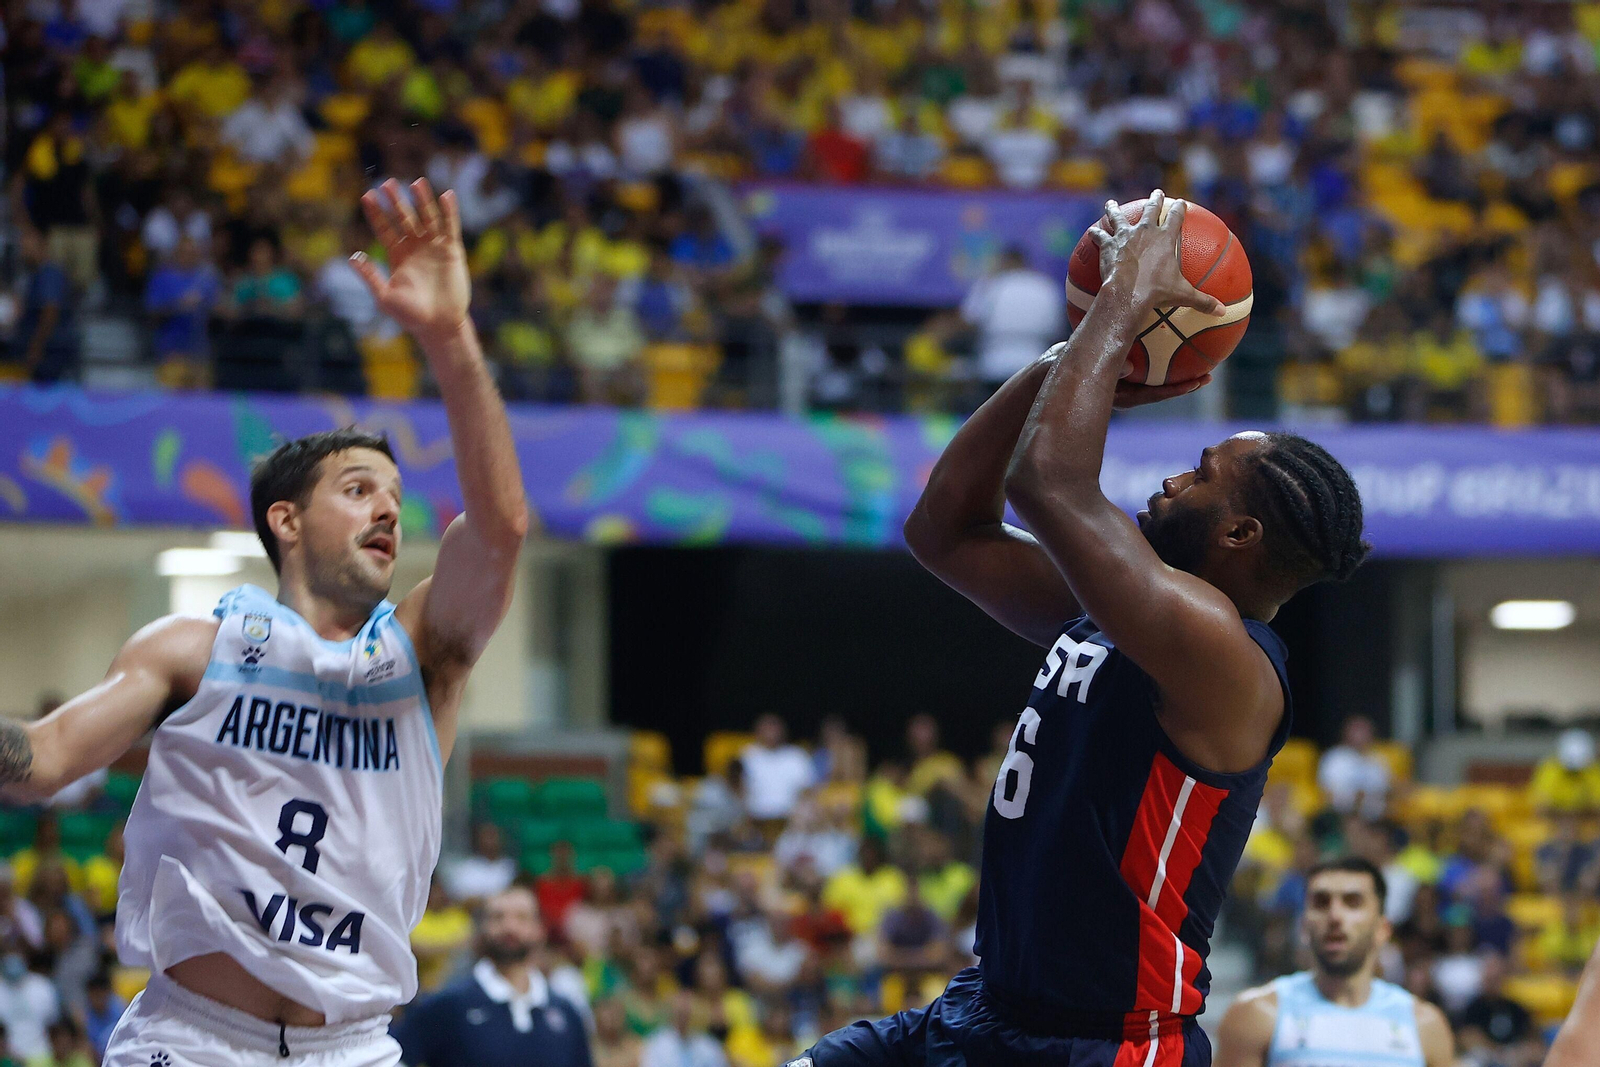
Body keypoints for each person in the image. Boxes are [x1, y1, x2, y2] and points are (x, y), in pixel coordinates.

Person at [802, 192, 1370, 1066]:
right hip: (981, 1010)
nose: (1176, 478)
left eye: (1202, 473)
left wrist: (1124, 301)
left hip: (1104, 1046)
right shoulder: (1128, 609)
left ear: (1240, 536)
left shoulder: (1222, 655)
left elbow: (1050, 483)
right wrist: (1071, 354)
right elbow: (946, 532)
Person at [0, 178, 529, 1066]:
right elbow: (44, 758)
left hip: (352, 1047)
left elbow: (504, 528)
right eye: (358, 490)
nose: (388, 512)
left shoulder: (421, 653)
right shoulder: (191, 649)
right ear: (285, 521)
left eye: (396, 498)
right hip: (196, 1037)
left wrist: (447, 336)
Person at [1212, 856, 1453, 1067]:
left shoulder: (1425, 1025)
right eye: (1321, 902)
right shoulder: (1257, 1015)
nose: (1335, 916)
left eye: (1352, 902)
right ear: (1304, 926)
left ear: (1382, 929)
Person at [391, 887, 591, 1067]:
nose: (509, 927)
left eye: (522, 918)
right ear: (481, 929)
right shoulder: (447, 1005)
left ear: (540, 930)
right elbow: (392, 1057)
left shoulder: (566, 1013)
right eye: (497, 917)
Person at [959, 245, 1064, 392]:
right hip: (1036, 362)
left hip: (993, 364)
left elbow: (968, 323)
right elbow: (1057, 329)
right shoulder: (1045, 286)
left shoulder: (991, 285)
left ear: (1005, 261)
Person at [1317, 716, 1391, 820]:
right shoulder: (1334, 757)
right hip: (1342, 813)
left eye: (1364, 731)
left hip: (1376, 817)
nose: (1360, 735)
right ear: (1346, 733)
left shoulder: (1378, 759)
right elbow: (1328, 793)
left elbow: (1385, 790)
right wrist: (1356, 799)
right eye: (1357, 730)